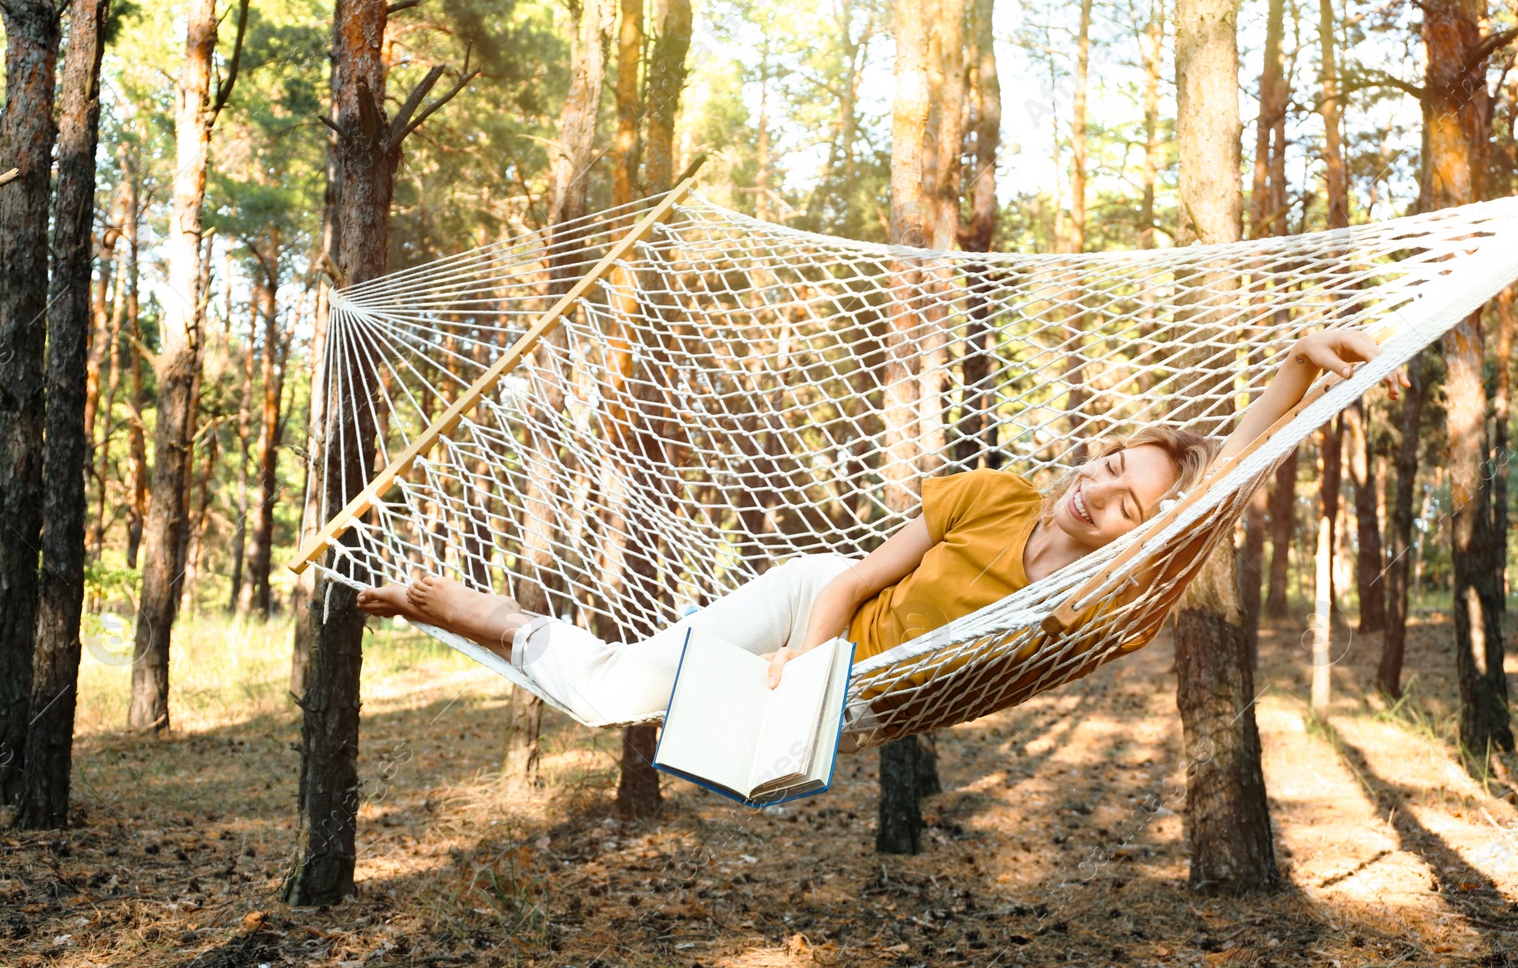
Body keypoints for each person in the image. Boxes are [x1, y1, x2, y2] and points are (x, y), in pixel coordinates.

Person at [357, 328, 1406, 726]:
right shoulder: (1000, 492)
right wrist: (802, 667)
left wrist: (1296, 373)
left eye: (1129, 498)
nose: (1099, 489)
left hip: (853, 698)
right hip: (813, 612)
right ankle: (463, 607)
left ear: (1142, 528)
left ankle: (451, 614)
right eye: (1106, 462)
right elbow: (852, 580)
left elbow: (1211, 493)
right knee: (618, 690)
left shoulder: (1099, 604)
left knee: (608, 704)